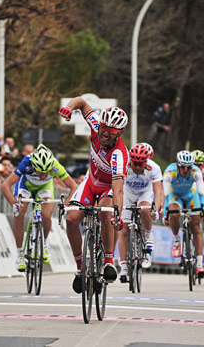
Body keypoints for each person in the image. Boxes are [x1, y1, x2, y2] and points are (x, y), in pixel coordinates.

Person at [59, 97, 129, 293]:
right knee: (72, 218)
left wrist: (117, 214)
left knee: (106, 213)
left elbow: (117, 188)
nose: (105, 133)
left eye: (112, 132)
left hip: (108, 186)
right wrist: (68, 108)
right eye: (104, 128)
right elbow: (81, 102)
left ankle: (108, 260)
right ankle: (80, 268)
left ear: (119, 133)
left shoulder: (119, 154)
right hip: (90, 182)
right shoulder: (96, 124)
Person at [1, 144, 77, 271]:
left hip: (44, 187)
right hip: (26, 185)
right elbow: (5, 185)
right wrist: (14, 203)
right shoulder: (26, 162)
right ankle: (20, 254)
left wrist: (66, 203)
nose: (42, 175)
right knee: (19, 213)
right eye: (40, 171)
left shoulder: (55, 165)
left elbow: (74, 186)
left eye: (46, 172)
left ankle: (44, 243)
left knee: (46, 215)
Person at [118, 143, 164, 283]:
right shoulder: (123, 165)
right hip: (127, 192)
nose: (137, 167)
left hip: (145, 192)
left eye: (140, 164)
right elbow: (117, 188)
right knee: (124, 230)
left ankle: (148, 235)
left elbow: (159, 191)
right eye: (135, 164)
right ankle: (124, 267)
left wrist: (156, 208)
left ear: (146, 162)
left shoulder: (154, 168)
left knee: (145, 209)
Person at [163, 150, 204, 278]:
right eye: (183, 167)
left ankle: (199, 264)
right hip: (174, 196)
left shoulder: (196, 172)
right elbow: (166, 196)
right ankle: (177, 239)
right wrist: (166, 213)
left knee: (196, 226)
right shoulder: (169, 172)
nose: (186, 170)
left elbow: (202, 193)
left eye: (189, 167)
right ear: (177, 165)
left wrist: (203, 209)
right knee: (175, 214)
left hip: (190, 196)